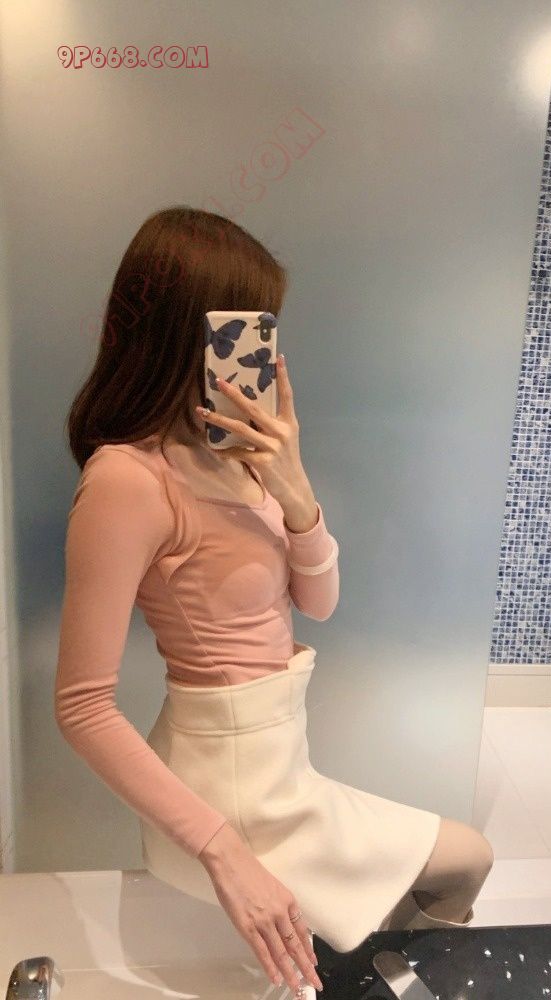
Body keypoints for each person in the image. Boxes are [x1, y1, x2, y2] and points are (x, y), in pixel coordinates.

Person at [55, 206, 494, 999]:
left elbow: (317, 604)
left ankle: (358, 979)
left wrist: (294, 490)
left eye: (261, 328)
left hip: (279, 764)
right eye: (240, 325)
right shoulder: (128, 479)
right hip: (228, 789)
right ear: (181, 330)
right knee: (469, 857)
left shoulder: (243, 458)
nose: (256, 349)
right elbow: (82, 707)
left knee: (419, 889)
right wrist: (223, 851)